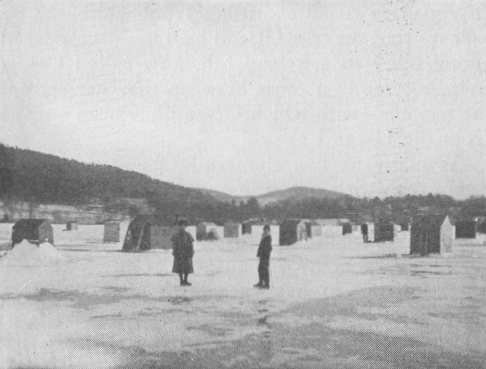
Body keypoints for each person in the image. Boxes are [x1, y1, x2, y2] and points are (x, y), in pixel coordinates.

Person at [171, 219, 195, 286]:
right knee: (180, 268)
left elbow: (191, 244)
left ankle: (185, 280)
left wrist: (192, 251)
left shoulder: (188, 235)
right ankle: (181, 280)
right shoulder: (176, 235)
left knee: (187, 267)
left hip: (187, 253)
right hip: (179, 253)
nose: (183, 227)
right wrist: (175, 252)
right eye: (182, 225)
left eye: (185, 225)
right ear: (179, 226)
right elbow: (174, 245)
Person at [254, 225, 272, 289]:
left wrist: (265, 253)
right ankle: (261, 282)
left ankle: (266, 284)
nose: (265, 231)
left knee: (265, 270)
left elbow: (269, 247)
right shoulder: (264, 236)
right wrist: (259, 253)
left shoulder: (268, 237)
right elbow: (261, 246)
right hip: (262, 255)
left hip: (265, 256)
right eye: (264, 229)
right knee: (260, 269)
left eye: (266, 230)